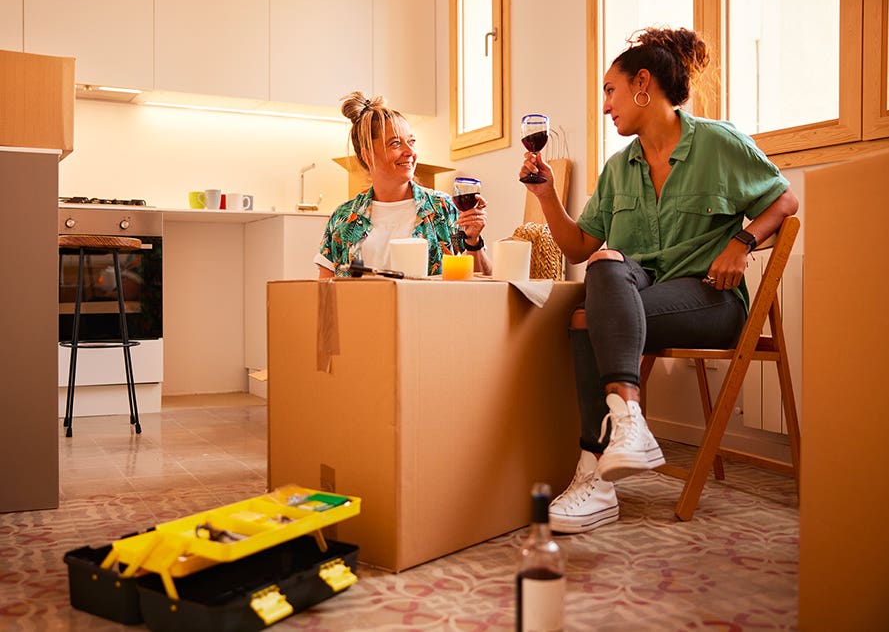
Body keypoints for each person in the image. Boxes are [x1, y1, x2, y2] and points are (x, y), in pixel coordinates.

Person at [519, 27, 799, 533]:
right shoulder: (618, 168)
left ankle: (594, 473)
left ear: (642, 84)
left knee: (588, 318)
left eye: (611, 90)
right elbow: (580, 247)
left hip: (710, 301)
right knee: (604, 265)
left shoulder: (719, 143)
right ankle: (627, 423)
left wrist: (743, 242)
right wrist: (546, 199)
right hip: (641, 293)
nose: (606, 106)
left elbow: (784, 201)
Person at [316, 92, 491, 278]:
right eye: (396, 143)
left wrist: (473, 242)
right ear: (368, 155)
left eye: (411, 142)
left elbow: (480, 280)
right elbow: (325, 294)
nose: (410, 152)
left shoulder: (443, 208)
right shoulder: (343, 218)